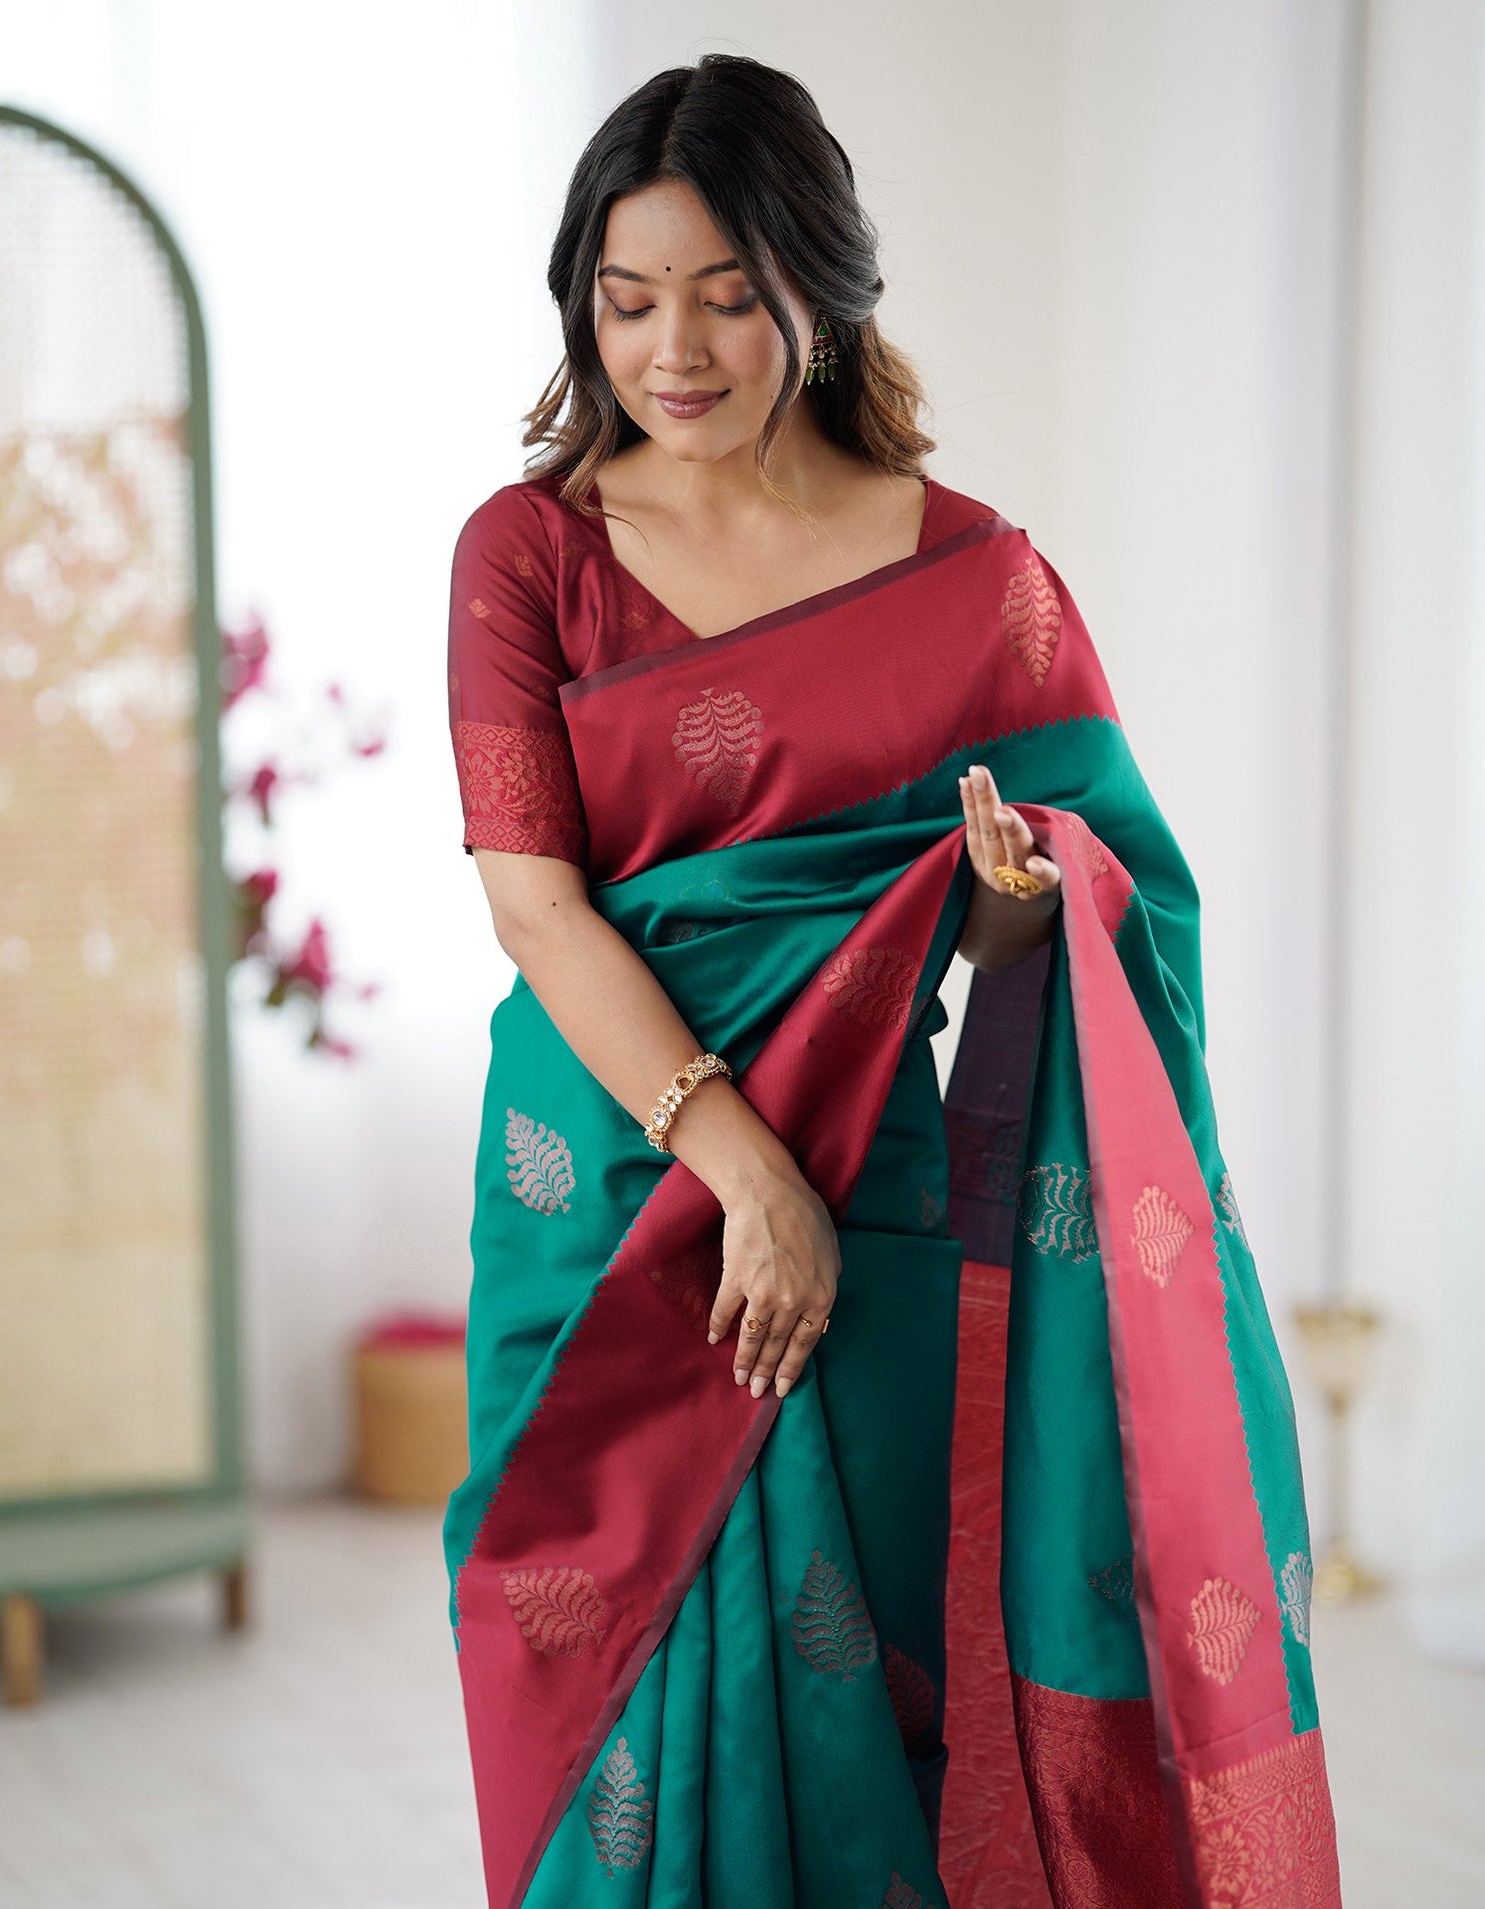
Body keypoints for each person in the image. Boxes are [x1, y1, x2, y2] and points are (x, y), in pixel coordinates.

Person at [441, 52, 1342, 1909]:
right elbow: (537, 910)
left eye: (724, 296)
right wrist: (742, 1172)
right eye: (627, 299)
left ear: (819, 288)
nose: (672, 350)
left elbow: (1090, 920)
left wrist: (1016, 906)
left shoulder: (974, 579)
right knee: (610, 1715)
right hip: (607, 1180)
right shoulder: (529, 554)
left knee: (876, 1691)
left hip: (872, 1187)